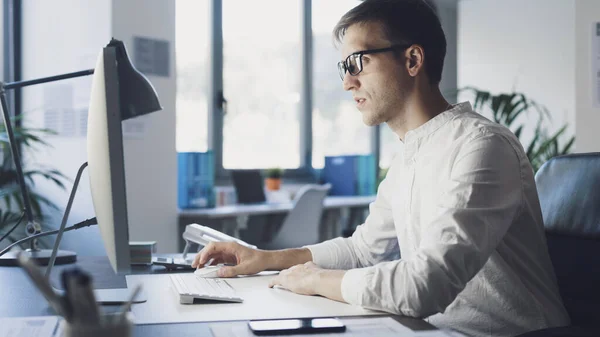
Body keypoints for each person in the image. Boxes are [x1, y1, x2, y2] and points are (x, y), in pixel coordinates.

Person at [192, 0, 570, 336]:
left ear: (412, 60)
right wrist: (266, 259)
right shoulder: (409, 155)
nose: (346, 82)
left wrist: (317, 279)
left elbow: (425, 285)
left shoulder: (482, 146)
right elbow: (362, 250)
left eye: (357, 62)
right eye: (343, 66)